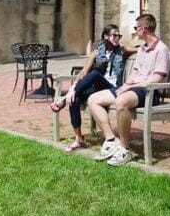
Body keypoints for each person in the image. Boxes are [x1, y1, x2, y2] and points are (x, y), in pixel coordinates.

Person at [87, 13, 170, 166]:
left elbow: (157, 78)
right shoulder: (142, 49)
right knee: (93, 99)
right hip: (134, 88)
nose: (135, 31)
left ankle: (125, 149)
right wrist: (126, 85)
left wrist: (132, 86)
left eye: (136, 28)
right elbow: (135, 71)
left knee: (121, 102)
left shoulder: (161, 49)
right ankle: (111, 140)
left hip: (149, 91)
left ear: (143, 29)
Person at [50, 24, 132, 153]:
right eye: (114, 35)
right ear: (106, 36)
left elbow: (142, 49)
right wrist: (72, 90)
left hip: (112, 89)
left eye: (119, 36)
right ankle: (79, 139)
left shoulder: (122, 51)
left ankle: (63, 100)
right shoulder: (96, 53)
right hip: (98, 88)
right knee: (75, 98)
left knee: (94, 74)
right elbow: (83, 72)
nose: (118, 38)